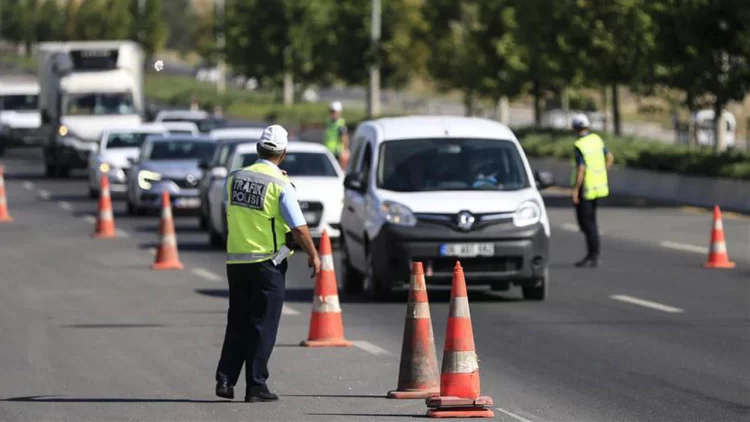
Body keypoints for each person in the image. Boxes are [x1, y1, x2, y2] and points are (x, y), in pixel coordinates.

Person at [215, 124, 321, 402]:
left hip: (236, 261)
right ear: (283, 153)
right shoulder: (281, 185)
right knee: (263, 325)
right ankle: (255, 385)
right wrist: (314, 255)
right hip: (267, 263)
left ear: (258, 149)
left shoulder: (234, 178)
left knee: (237, 321)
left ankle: (225, 380)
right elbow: (298, 228)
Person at [570, 114, 614, 268]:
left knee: (586, 223)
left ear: (574, 128)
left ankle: (592, 255)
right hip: (598, 187)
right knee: (592, 222)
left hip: (586, 188)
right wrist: (602, 172)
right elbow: (610, 157)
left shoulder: (580, 145)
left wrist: (575, 190)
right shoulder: (596, 139)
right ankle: (593, 254)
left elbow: (581, 168)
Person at [323, 101, 349, 169]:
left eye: (334, 112)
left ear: (339, 112)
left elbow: (344, 138)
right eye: (331, 111)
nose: (333, 114)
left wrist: (345, 150)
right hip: (328, 150)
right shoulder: (328, 122)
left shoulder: (341, 124)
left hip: (337, 152)